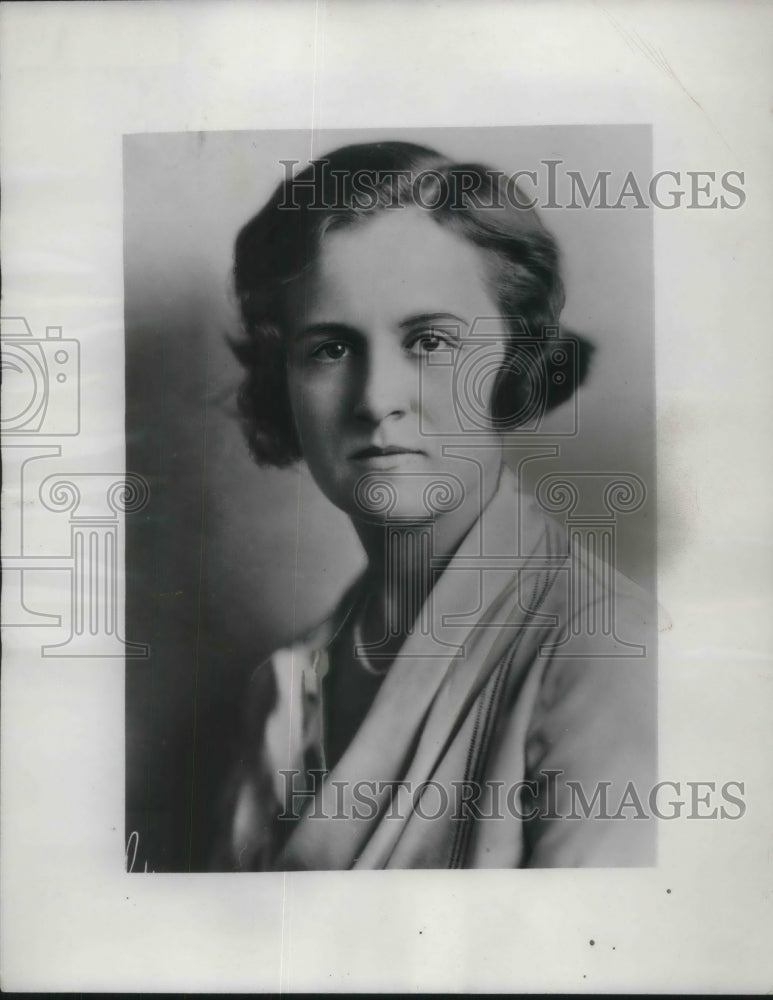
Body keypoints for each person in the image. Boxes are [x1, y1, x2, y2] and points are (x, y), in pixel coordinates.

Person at [211, 140, 656, 870]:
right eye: (328, 349)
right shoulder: (285, 687)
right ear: (281, 380)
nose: (378, 399)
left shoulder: (604, 659)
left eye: (429, 341)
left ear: (513, 360)